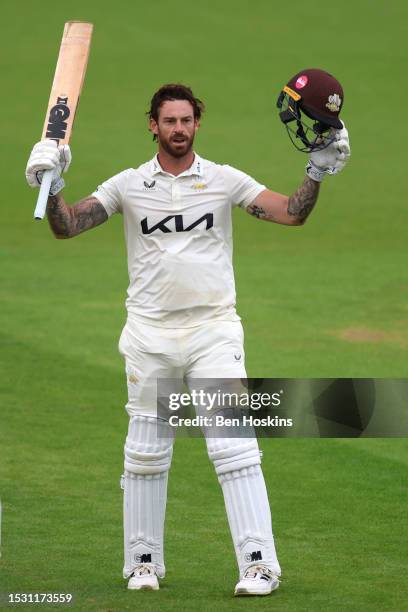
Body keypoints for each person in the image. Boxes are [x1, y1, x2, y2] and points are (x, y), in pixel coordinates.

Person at [25, 77, 350, 597]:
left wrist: (317, 172)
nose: (179, 129)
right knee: (146, 455)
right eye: (169, 121)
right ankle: (142, 563)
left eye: (187, 120)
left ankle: (260, 565)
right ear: (153, 126)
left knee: (234, 448)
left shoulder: (221, 180)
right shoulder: (128, 184)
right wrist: (52, 182)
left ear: (197, 124)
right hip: (149, 336)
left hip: (212, 331)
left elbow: (292, 212)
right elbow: (66, 227)